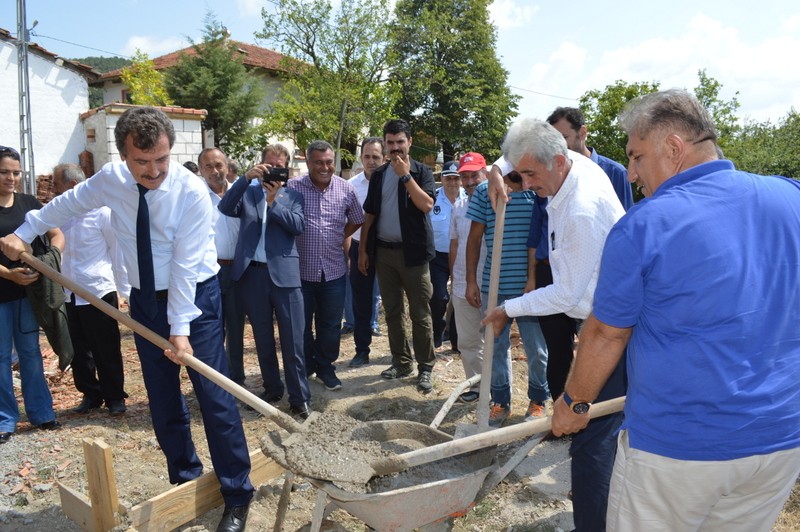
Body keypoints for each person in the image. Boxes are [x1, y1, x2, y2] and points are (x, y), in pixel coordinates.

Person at [551, 89, 800, 532]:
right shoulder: (790, 197)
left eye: (637, 156)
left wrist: (574, 403)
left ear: (673, 148)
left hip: (678, 448)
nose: (631, 173)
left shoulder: (645, 224)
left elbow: (607, 334)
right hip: (779, 441)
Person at [0, 109, 254, 532]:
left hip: (196, 299)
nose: (153, 171)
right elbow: (65, 204)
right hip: (145, 301)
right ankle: (185, 479)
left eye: (162, 159)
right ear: (123, 156)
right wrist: (23, 233)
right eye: (142, 162)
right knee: (163, 399)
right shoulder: (111, 179)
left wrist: (180, 332)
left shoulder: (190, 192)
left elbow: (184, 268)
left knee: (214, 396)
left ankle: (238, 492)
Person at [482, 118, 625, 531]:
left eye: (530, 174)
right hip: (603, 320)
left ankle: (593, 523)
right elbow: (529, 143)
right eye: (519, 173)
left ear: (559, 161)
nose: (525, 184)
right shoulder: (569, 163)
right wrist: (497, 170)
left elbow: (565, 294)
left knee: (591, 440)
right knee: (605, 433)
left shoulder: (580, 210)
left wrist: (508, 309)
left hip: (613, 331)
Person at [218, 145, 311, 420]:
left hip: (285, 276)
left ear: (287, 169)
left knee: (293, 340)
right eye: (269, 165)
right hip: (253, 276)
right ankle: (272, 389)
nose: (274, 171)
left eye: (279, 166)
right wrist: (245, 178)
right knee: (262, 338)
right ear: (261, 165)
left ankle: (299, 398)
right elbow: (225, 207)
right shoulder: (247, 193)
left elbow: (298, 226)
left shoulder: (294, 196)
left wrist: (273, 202)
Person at [465, 157, 549, 427]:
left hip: (530, 288)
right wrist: (470, 281)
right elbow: (474, 238)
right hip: (495, 286)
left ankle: (538, 398)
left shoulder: (536, 189)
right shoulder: (485, 191)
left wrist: (535, 280)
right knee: (495, 348)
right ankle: (500, 401)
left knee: (537, 349)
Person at [358, 119, 437, 393]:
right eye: (390, 143)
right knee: (392, 312)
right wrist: (363, 250)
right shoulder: (379, 175)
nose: (395, 148)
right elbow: (369, 214)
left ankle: (425, 367)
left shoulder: (422, 172)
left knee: (420, 314)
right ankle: (402, 362)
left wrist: (405, 176)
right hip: (384, 254)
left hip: (414, 255)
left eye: (400, 142)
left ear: (409, 142)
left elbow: (426, 204)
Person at [287, 141, 363, 391]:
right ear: (308, 162)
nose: (324, 167)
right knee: (302, 326)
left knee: (330, 326)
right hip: (300, 272)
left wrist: (340, 234)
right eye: (318, 162)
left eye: (329, 162)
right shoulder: (293, 187)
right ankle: (306, 365)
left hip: (333, 271)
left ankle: (325, 367)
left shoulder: (345, 188)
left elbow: (357, 218)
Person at [52, 163, 128, 416]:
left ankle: (114, 396)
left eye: (57, 185)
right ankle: (90, 393)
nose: (53, 190)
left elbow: (117, 252)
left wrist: (123, 290)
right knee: (78, 349)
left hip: (98, 291)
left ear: (73, 186)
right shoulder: (60, 215)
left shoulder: (102, 214)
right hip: (69, 292)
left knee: (106, 348)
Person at [0, 146, 61, 444]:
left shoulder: (29, 204)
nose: (11, 178)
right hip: (1, 295)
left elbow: (56, 234)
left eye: (15, 172)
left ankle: (42, 413)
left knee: (30, 353)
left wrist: (51, 258)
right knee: (0, 357)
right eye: (4, 172)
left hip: (28, 295)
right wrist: (9, 274)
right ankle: (5, 419)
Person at [199, 148, 245, 385]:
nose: (215, 171)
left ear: (227, 166)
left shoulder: (241, 193)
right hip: (209, 273)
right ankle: (216, 383)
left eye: (219, 165)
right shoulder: (197, 197)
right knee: (213, 331)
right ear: (201, 170)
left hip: (237, 271)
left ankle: (236, 381)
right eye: (208, 166)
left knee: (236, 329)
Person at [448, 154, 487, 403]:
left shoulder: (498, 204)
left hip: (490, 283)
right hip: (463, 284)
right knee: (468, 341)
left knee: (495, 342)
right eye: (465, 176)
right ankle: (477, 386)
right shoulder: (459, 207)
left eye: (474, 175)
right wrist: (454, 278)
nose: (470, 181)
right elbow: (454, 244)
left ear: (485, 173)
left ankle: (498, 391)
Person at [346, 137, 385, 368]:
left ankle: (398, 355)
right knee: (361, 302)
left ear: (384, 158)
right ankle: (362, 350)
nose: (371, 161)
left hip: (388, 248)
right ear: (361, 158)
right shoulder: (351, 186)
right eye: (367, 156)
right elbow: (346, 221)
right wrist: (348, 253)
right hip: (359, 248)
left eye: (376, 157)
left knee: (392, 301)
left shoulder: (393, 182)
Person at [547, 106, 633, 210]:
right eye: (554, 141)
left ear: (582, 133)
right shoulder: (548, 176)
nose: (559, 146)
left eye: (564, 137)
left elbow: (626, 217)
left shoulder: (616, 173)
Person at [430, 160, 465, 351]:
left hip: (462, 257)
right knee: (439, 297)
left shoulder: (469, 198)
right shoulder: (432, 198)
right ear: (442, 179)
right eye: (448, 178)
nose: (452, 182)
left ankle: (456, 338)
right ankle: (437, 330)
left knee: (460, 298)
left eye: (456, 178)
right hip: (438, 258)